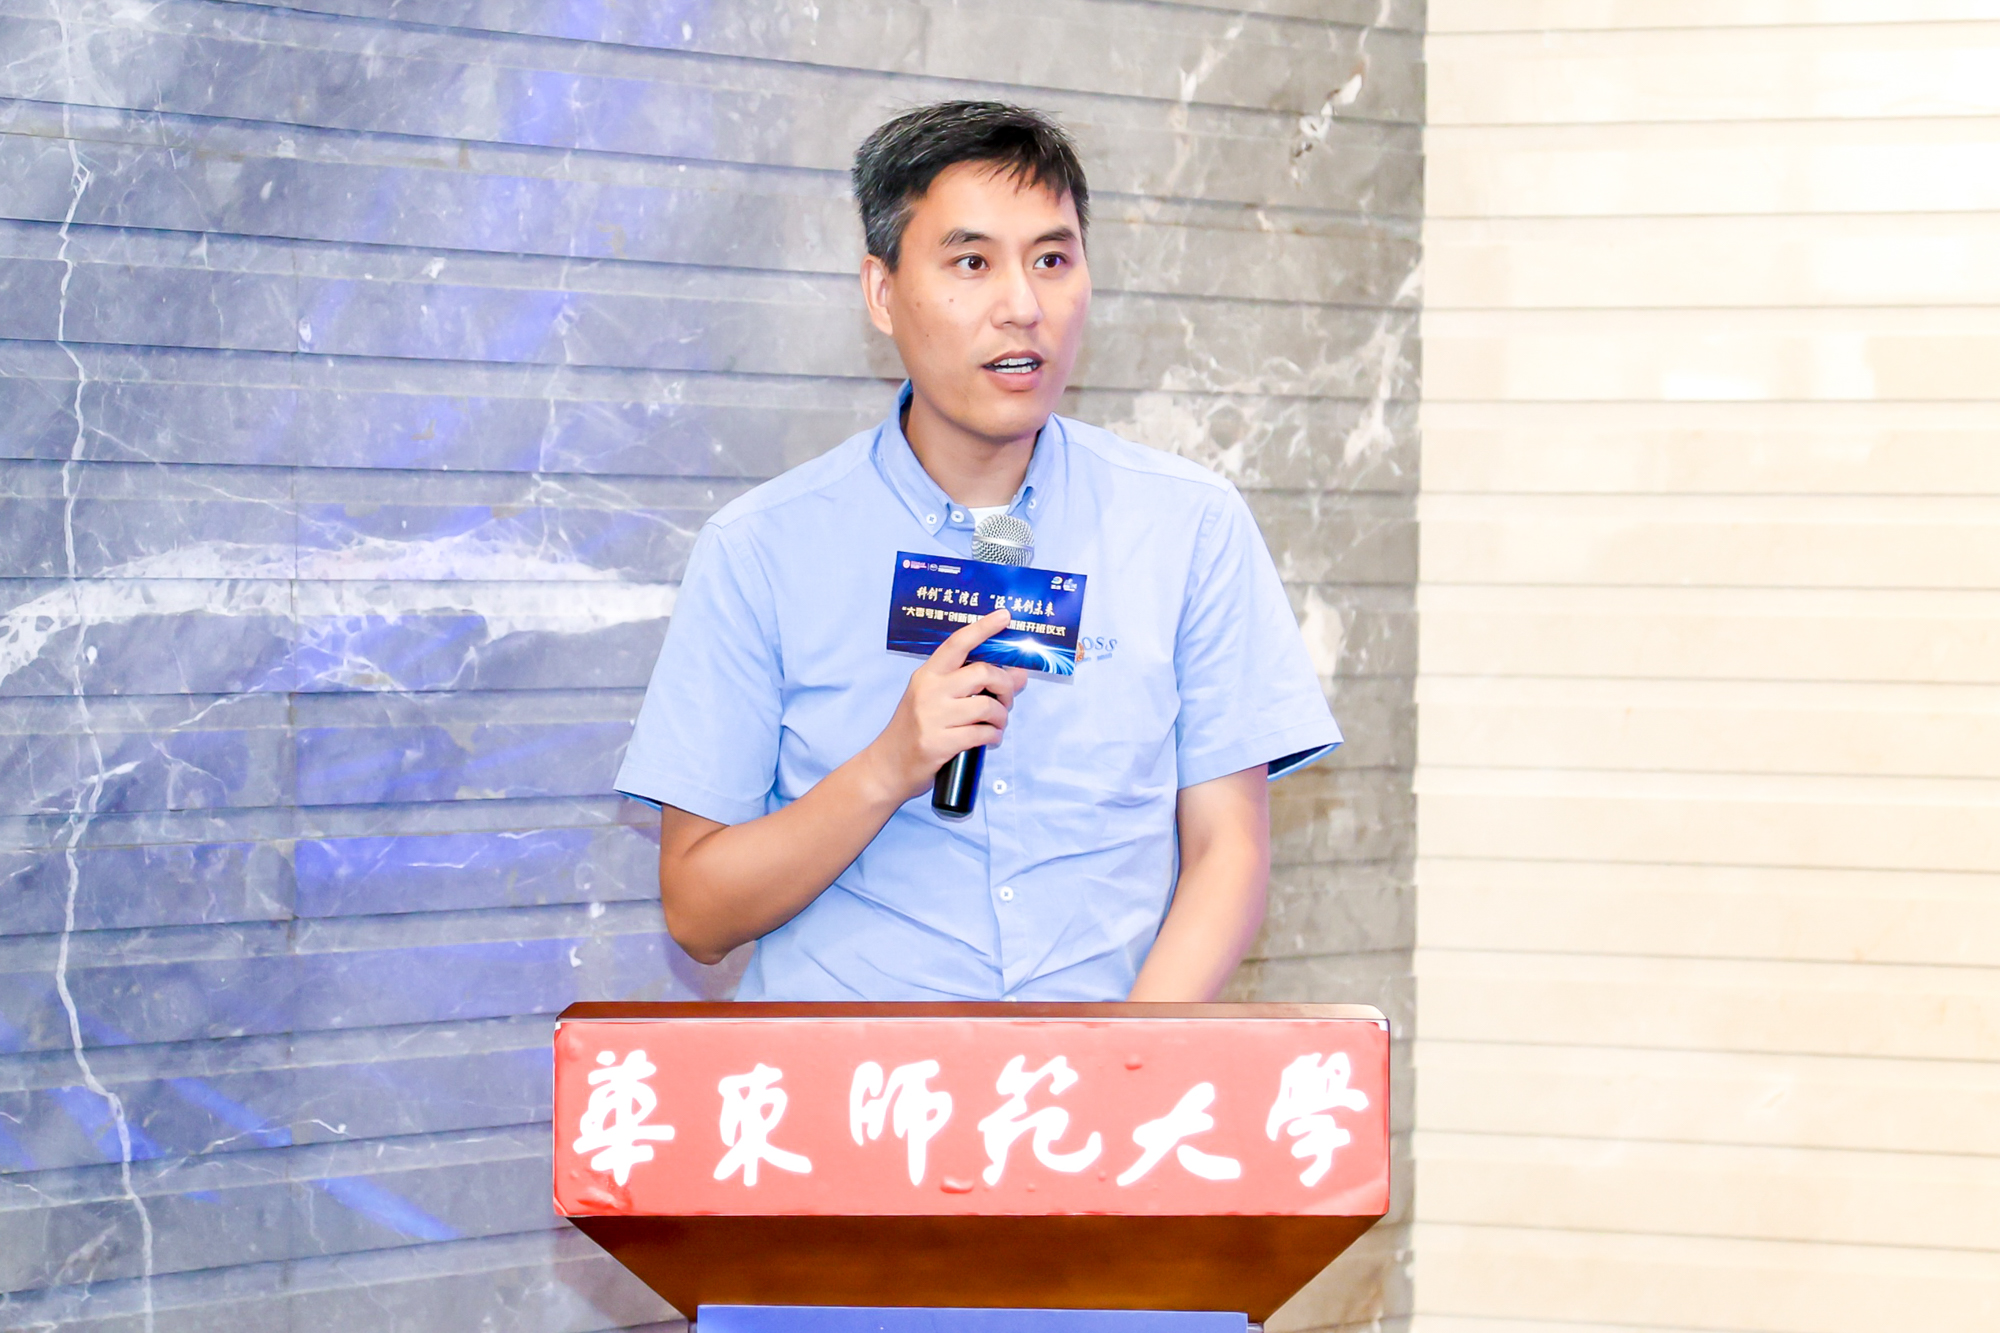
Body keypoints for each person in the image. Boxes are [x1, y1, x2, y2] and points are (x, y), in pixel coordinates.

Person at [614, 101, 1341, 1002]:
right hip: (854, 1078)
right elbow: (697, 911)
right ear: (882, 292)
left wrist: (1122, 1061)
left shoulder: (1189, 527)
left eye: (1052, 260)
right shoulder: (761, 549)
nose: (1022, 307)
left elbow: (1229, 849)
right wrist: (888, 767)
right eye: (972, 263)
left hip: (1097, 1077)